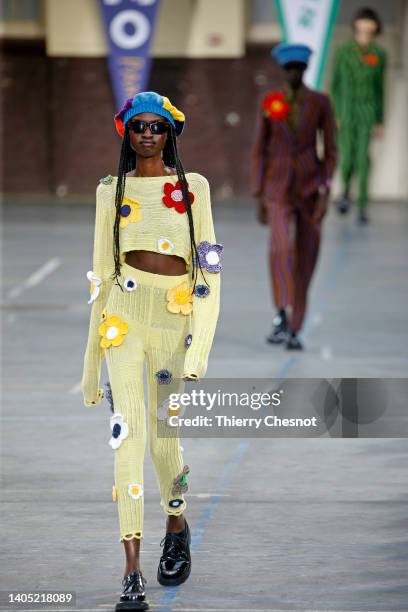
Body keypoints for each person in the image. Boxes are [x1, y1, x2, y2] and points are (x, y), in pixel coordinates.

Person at [81, 91, 222, 610]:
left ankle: (176, 519)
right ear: (126, 132)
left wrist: (199, 349)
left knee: (164, 440)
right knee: (128, 439)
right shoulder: (108, 191)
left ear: (170, 134)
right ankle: (131, 572)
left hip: (174, 320)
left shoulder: (194, 188)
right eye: (138, 125)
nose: (147, 133)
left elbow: (209, 272)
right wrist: (90, 365)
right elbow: (101, 273)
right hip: (124, 317)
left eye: (157, 126)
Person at [252, 43, 337, 350]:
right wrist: (258, 192)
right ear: (282, 70)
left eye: (299, 68)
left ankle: (295, 325)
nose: (294, 73)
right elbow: (259, 149)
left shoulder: (320, 102)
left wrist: (326, 189)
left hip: (310, 189)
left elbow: (330, 150)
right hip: (277, 189)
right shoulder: (270, 102)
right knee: (280, 248)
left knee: (307, 256)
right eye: (289, 68)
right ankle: (281, 313)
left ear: (305, 69)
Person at [331, 6, 386, 224]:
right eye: (363, 20)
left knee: (364, 160)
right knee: (347, 158)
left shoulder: (379, 54)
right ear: (356, 23)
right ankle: (345, 193)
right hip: (345, 112)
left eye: (370, 21)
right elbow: (335, 85)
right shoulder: (343, 51)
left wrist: (380, 119)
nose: (366, 25)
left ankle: (362, 206)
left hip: (367, 111)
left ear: (376, 26)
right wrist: (335, 112)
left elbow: (380, 89)